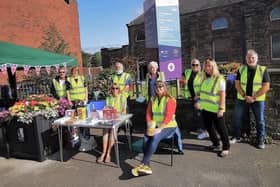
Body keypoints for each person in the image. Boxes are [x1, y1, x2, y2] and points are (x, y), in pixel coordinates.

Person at [131, 80, 181, 176]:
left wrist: (159, 129)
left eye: (161, 86)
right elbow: (148, 113)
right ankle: (147, 167)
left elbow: (168, 117)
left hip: (169, 126)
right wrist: (149, 124)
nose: (159, 88)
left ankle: (143, 163)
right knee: (146, 138)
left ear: (165, 88)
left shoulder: (170, 99)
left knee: (155, 137)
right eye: (157, 86)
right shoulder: (153, 99)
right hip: (156, 125)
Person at [230, 49, 270, 149]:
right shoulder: (241, 69)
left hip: (257, 100)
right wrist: (244, 96)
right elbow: (237, 84)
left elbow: (266, 86)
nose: (251, 59)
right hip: (242, 98)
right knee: (237, 117)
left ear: (257, 59)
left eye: (253, 57)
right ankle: (237, 136)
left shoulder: (262, 70)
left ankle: (260, 140)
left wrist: (253, 97)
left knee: (259, 120)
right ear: (246, 59)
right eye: (249, 57)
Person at [198, 58, 230, 157]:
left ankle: (226, 147)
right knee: (209, 128)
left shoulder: (219, 79)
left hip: (216, 109)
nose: (207, 68)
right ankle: (216, 144)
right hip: (205, 108)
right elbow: (203, 93)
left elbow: (222, 95)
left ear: (214, 67)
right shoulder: (204, 78)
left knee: (221, 129)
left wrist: (221, 109)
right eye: (206, 66)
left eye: (210, 66)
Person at [66, 67, 96, 152]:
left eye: (76, 71)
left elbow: (86, 88)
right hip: (73, 102)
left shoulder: (82, 78)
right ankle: (76, 140)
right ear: (71, 72)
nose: (74, 72)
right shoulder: (69, 80)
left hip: (82, 102)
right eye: (73, 71)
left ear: (78, 72)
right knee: (75, 121)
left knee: (84, 120)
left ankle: (86, 138)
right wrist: (69, 101)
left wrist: (86, 98)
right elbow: (67, 91)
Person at [97, 83, 127, 163]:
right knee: (105, 130)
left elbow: (124, 111)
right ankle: (103, 153)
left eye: (116, 88)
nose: (115, 90)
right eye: (113, 88)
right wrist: (106, 110)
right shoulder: (108, 98)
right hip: (109, 117)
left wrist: (117, 114)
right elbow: (106, 108)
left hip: (118, 118)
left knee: (112, 130)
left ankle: (108, 153)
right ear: (111, 90)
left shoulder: (122, 97)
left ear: (119, 90)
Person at [182, 58, 208, 140]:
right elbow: (182, 76)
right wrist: (182, 80)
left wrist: (199, 95)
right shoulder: (187, 72)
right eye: (193, 64)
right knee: (190, 114)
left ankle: (206, 131)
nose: (195, 66)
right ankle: (197, 129)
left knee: (200, 114)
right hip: (189, 97)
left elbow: (206, 87)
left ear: (199, 66)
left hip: (199, 97)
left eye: (197, 65)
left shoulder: (202, 75)